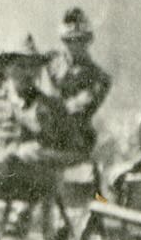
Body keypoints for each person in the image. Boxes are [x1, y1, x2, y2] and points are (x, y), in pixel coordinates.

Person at [0, 40, 73, 219]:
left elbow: (63, 145)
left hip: (30, 175)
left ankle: (17, 212)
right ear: (6, 70)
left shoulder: (49, 106)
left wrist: (30, 148)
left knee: (24, 156)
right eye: (21, 66)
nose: (28, 73)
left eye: (32, 67)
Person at [42, 10, 113, 154]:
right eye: (68, 40)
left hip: (74, 138)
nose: (74, 45)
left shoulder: (100, 78)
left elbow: (77, 110)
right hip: (43, 128)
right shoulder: (49, 61)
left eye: (80, 40)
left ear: (88, 40)